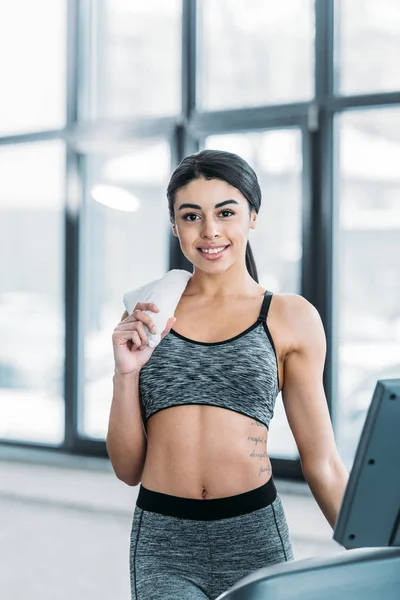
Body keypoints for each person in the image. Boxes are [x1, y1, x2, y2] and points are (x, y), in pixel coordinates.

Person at [107, 149, 349, 600]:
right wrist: (125, 375)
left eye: (226, 212)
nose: (210, 230)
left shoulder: (290, 317)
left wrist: (379, 554)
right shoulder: (149, 314)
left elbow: (323, 463)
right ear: (175, 225)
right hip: (164, 540)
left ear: (252, 216)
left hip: (254, 534)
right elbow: (127, 469)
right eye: (192, 215)